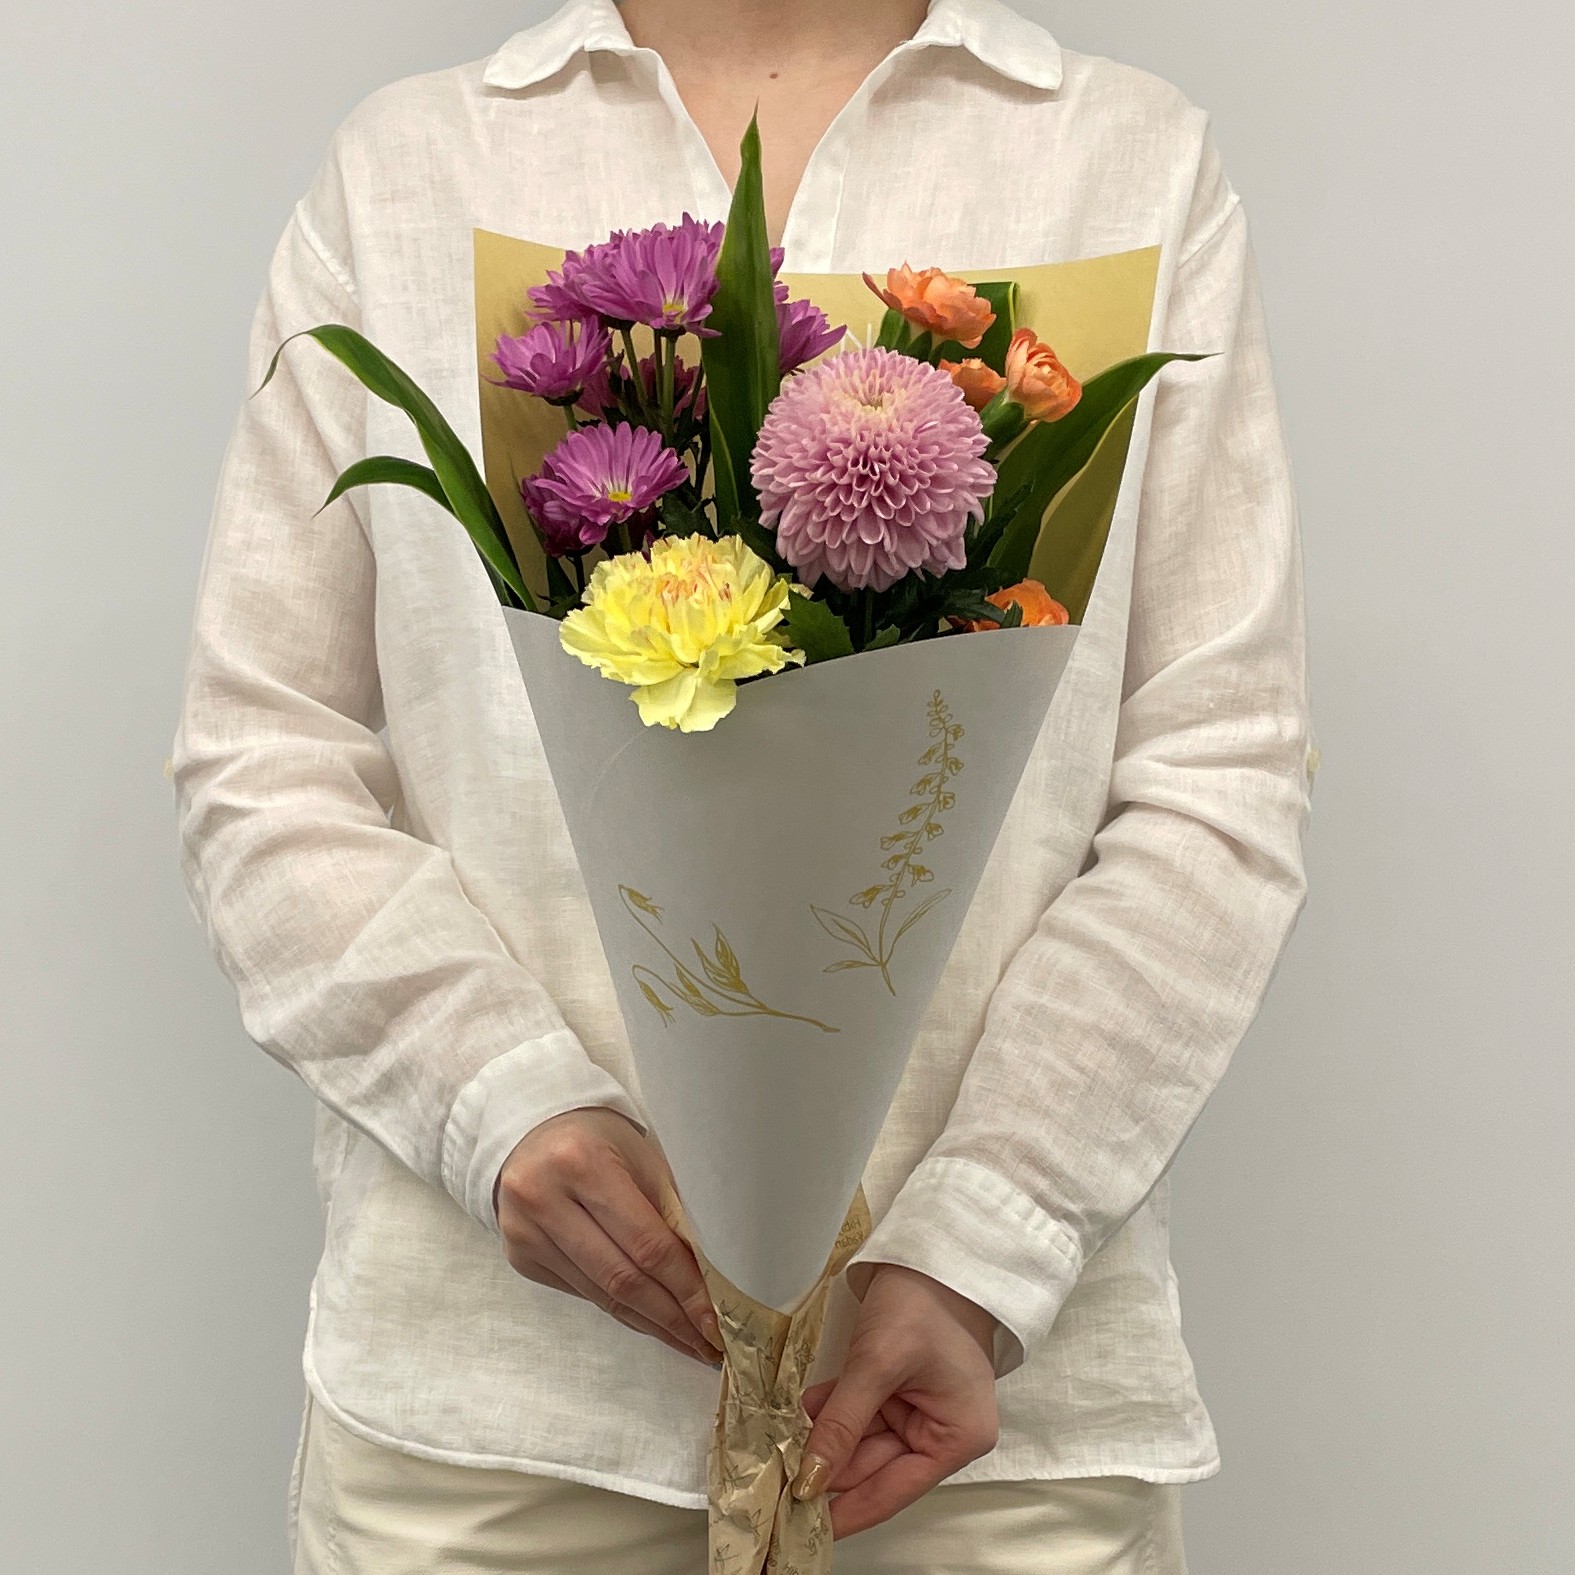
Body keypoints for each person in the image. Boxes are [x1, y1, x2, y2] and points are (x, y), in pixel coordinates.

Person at [170, 0, 1313, 1569]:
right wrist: (493, 1102)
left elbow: (1221, 766)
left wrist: (990, 1239)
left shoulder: (1122, 157)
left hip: (993, 1430)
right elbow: (265, 751)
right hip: (495, 1414)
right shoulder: (413, 166)